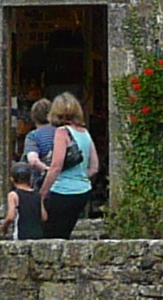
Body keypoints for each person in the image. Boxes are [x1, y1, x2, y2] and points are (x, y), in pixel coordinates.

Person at [36, 92, 100, 239]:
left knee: (49, 235)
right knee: (64, 234)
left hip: (62, 191)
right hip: (83, 191)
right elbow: (94, 167)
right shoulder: (85, 133)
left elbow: (56, 166)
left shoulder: (62, 132)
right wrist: (79, 177)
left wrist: (43, 193)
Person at [9, 98, 55, 239]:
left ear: (33, 116)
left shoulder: (34, 136)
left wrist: (47, 170)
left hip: (40, 183)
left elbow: (33, 160)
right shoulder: (61, 133)